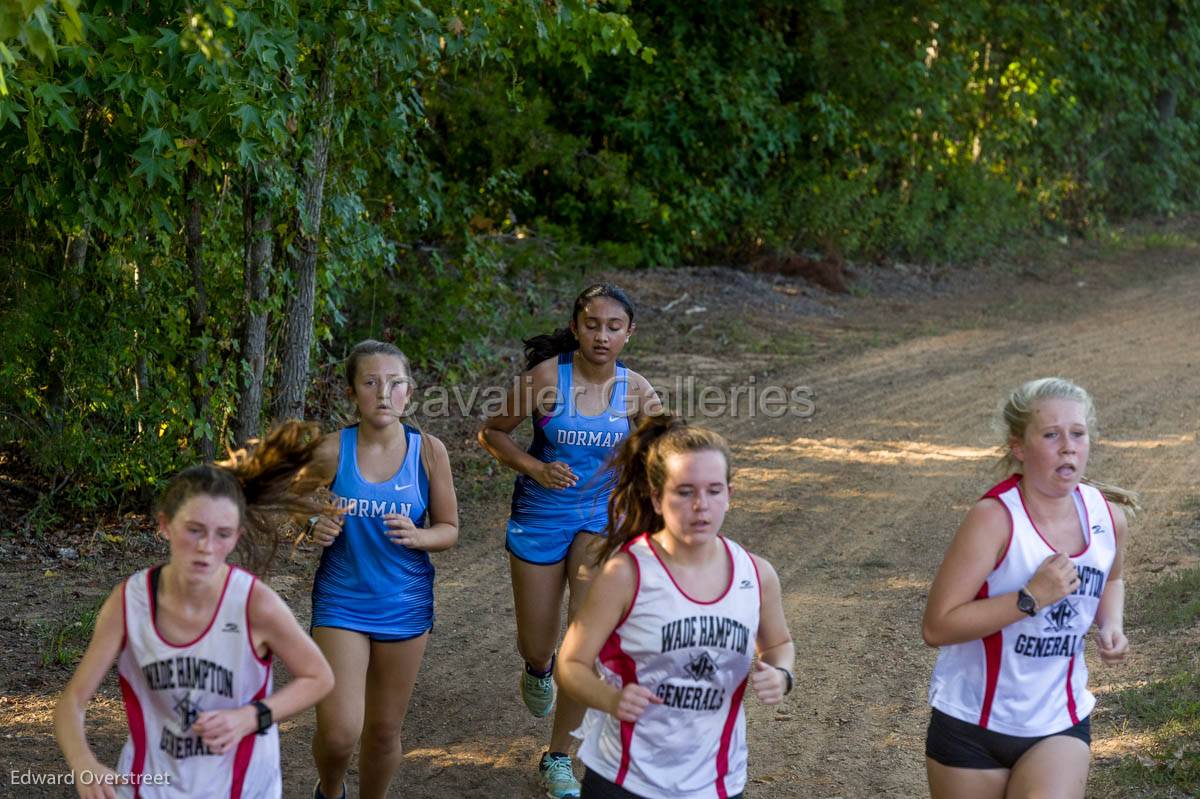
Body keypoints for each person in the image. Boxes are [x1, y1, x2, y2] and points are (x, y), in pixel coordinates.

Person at [54, 422, 336, 799]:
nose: (206, 546)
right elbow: (72, 702)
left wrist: (251, 717)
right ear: (165, 526)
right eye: (194, 530)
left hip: (243, 787)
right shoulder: (130, 603)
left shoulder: (253, 603)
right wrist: (83, 762)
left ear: (235, 537)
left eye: (222, 534)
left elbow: (319, 677)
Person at [478, 284, 661, 798]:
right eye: (592, 325)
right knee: (539, 644)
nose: (602, 335)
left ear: (629, 333)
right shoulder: (544, 378)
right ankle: (537, 668)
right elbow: (492, 433)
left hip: (601, 519)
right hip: (539, 517)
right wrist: (535, 468)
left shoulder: (637, 391)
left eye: (613, 327)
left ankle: (558, 757)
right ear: (576, 328)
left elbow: (660, 456)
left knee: (586, 640)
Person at [921, 377, 1139, 799]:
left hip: (1058, 721)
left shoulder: (1108, 517)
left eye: (1077, 434)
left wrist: (1111, 623)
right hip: (971, 724)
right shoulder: (994, 520)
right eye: (1051, 435)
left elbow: (1112, 577)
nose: (1068, 446)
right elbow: (937, 627)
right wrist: (1029, 599)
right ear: (1019, 447)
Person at [557, 415, 795, 799]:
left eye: (714, 491)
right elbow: (570, 665)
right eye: (684, 492)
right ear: (656, 497)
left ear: (730, 495)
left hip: (717, 782)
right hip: (626, 779)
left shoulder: (757, 575)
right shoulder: (627, 574)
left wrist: (782, 674)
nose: (701, 506)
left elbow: (779, 644)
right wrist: (612, 699)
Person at [303, 339, 459, 799]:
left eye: (395, 383)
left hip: (404, 602)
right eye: (371, 383)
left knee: (384, 731)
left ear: (409, 392)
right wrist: (314, 521)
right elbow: (294, 500)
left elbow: (449, 528)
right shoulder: (332, 450)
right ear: (353, 393)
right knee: (339, 731)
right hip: (342, 598)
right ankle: (330, 790)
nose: (383, 393)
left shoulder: (429, 452)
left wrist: (421, 536)